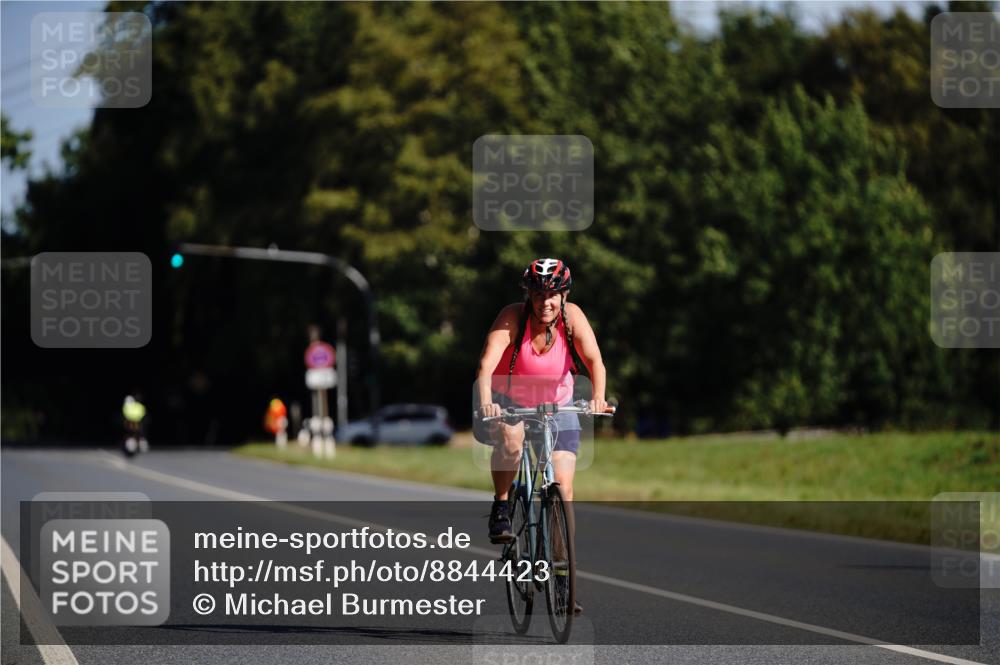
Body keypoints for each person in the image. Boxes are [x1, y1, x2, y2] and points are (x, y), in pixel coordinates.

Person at [475, 258, 608, 615]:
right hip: (510, 401)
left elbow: (594, 360)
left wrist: (597, 397)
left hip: (558, 406)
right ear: (528, 295)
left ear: (564, 295)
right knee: (511, 442)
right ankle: (502, 506)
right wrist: (488, 403)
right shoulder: (513, 317)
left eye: (552, 294)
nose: (545, 302)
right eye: (537, 294)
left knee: (563, 491)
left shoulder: (572, 318)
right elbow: (487, 363)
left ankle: (563, 577)